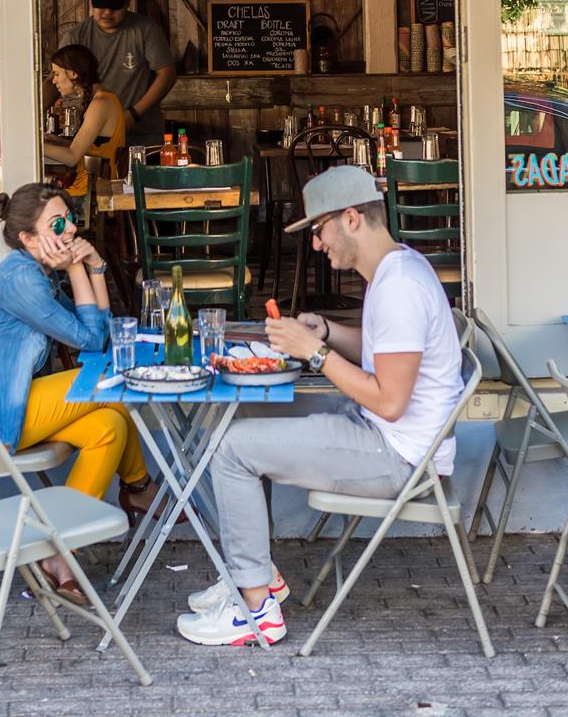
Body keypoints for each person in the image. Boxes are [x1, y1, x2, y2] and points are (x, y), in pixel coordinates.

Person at [172, 165, 464, 646]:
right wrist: (325, 332)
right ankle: (256, 574)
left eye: (318, 228)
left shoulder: (400, 287)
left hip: (398, 456)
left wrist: (315, 353)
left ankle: (256, 612)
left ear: (351, 218)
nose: (315, 243)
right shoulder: (399, 267)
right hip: (384, 434)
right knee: (244, 416)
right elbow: (385, 351)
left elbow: (390, 401)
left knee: (231, 449)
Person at [0, 182, 157, 605]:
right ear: (27, 237)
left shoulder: (37, 272)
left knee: (109, 427)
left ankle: (58, 554)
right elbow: (91, 340)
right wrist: (78, 269)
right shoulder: (20, 280)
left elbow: (98, 332)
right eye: (57, 224)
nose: (71, 229)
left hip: (9, 403)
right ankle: (139, 487)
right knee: (107, 385)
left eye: (70, 219)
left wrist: (94, 265)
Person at [61, 0, 177, 149]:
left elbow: (167, 74)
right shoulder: (76, 37)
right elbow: (57, 80)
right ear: (92, 2)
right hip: (92, 138)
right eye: (101, 5)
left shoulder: (145, 29)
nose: (107, 12)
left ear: (127, 3)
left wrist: (133, 114)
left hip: (142, 136)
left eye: (115, 6)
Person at [42, 44, 127, 198]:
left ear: (73, 73)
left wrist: (33, 146)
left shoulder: (101, 104)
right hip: (90, 190)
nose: (54, 81)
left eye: (57, 74)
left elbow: (72, 157)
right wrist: (59, 142)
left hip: (90, 195)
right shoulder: (104, 99)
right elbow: (94, 149)